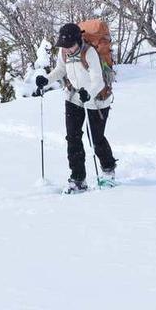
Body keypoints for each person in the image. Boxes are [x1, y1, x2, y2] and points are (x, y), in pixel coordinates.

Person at [36, 23, 117, 193]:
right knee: (72, 138)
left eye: (69, 46)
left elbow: (98, 80)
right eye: (64, 46)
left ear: (78, 41)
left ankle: (108, 170)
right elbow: (60, 69)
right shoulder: (64, 51)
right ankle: (78, 179)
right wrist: (46, 80)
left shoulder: (90, 52)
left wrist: (89, 93)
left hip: (97, 100)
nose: (67, 49)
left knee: (96, 138)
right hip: (73, 97)